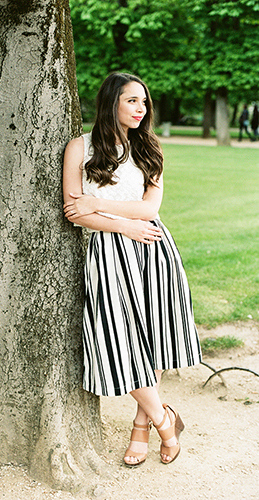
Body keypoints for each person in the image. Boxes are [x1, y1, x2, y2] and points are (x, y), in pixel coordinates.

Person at [63, 73, 202, 467]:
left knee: (152, 336)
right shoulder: (80, 147)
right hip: (109, 252)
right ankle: (164, 419)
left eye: (144, 102)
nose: (141, 109)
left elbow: (150, 209)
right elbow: (73, 211)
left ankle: (140, 428)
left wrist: (95, 204)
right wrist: (118, 223)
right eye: (132, 101)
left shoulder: (150, 147)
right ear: (112, 103)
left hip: (153, 249)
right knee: (119, 340)